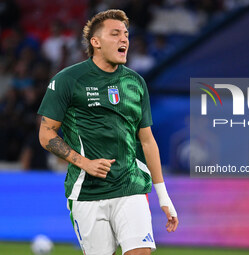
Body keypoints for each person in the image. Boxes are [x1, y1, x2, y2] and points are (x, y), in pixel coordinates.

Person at [38, 9, 178, 255]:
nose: (124, 39)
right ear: (96, 42)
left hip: (131, 186)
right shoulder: (68, 80)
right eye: (115, 34)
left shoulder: (135, 83)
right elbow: (46, 133)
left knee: (141, 251)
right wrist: (84, 163)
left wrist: (164, 198)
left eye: (126, 34)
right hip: (87, 192)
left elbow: (147, 142)